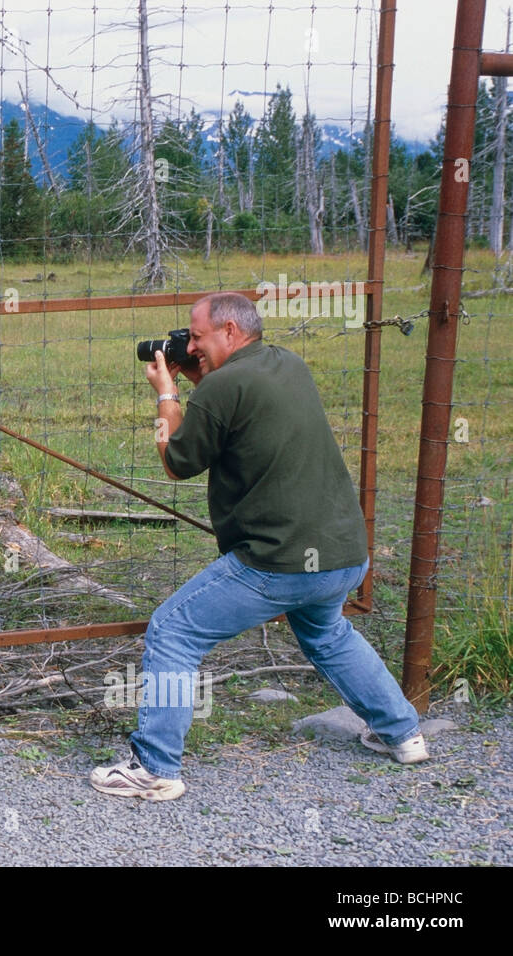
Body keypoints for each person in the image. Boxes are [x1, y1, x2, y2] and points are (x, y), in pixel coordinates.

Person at [90, 292, 427, 802]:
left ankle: (155, 767)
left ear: (228, 330)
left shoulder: (222, 386)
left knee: (174, 630)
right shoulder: (287, 363)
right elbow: (237, 411)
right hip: (343, 554)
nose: (190, 345)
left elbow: (178, 462)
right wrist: (203, 380)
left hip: (278, 561)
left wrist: (166, 394)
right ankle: (402, 733)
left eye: (196, 337)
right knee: (328, 633)